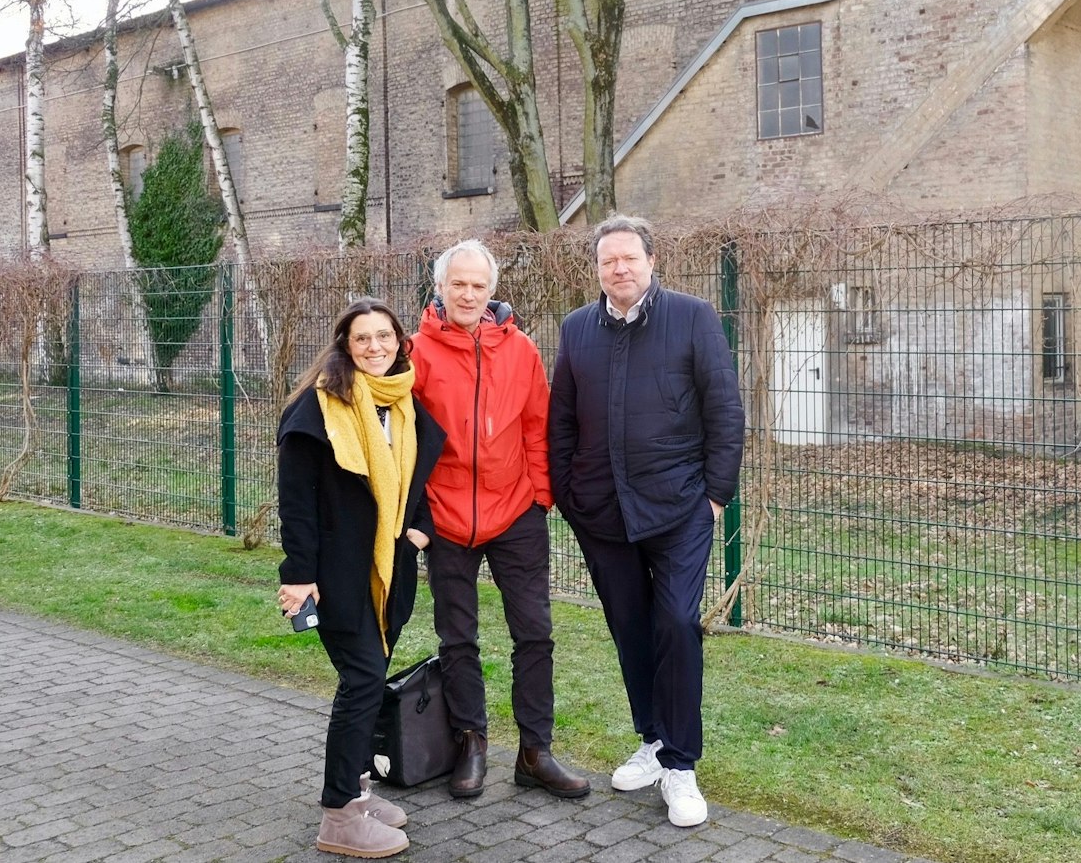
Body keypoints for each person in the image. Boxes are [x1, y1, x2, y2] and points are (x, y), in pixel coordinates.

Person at [548, 215, 745, 828]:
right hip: (602, 511)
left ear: (651, 261)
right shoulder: (577, 329)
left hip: (680, 506)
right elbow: (561, 421)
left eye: (630, 258)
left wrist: (715, 496)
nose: (620, 269)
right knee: (629, 626)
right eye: (609, 261)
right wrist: (567, 494)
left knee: (678, 622)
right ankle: (654, 741)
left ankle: (682, 766)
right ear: (598, 268)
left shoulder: (693, 318)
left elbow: (725, 409)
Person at [409, 239, 590, 801]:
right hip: (446, 516)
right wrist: (419, 509)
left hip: (516, 512)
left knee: (534, 634)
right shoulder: (414, 351)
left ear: (492, 290)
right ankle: (470, 743)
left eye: (477, 285)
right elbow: (405, 440)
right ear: (440, 287)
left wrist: (539, 496)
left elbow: (538, 425)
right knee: (457, 637)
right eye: (457, 284)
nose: (467, 294)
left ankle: (536, 752)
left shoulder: (521, 350)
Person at [276, 298, 445, 859]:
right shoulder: (316, 409)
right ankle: (339, 814)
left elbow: (419, 479)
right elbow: (296, 502)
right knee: (363, 681)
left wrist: (419, 531)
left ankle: (358, 791)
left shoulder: (404, 406)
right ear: (344, 347)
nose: (375, 347)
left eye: (384, 337)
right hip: (336, 572)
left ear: (400, 341)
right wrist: (298, 577)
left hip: (390, 569)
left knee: (368, 681)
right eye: (362, 339)